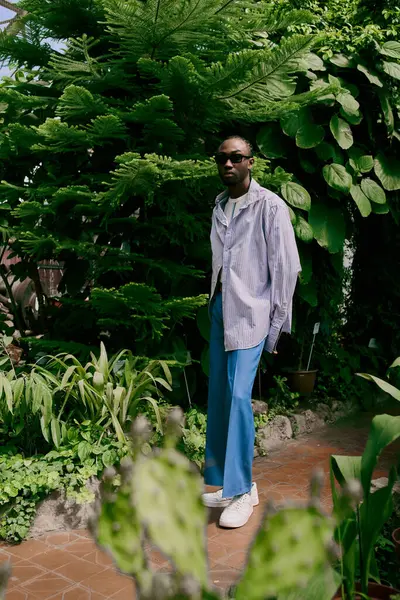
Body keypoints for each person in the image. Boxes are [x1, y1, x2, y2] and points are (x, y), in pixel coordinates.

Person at [202, 136, 301, 528]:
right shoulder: (220, 206)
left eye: (236, 158)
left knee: (241, 396)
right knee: (221, 397)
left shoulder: (270, 207)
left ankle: (243, 492)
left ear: (250, 162)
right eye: (222, 158)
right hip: (221, 309)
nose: (228, 164)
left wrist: (276, 327)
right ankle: (226, 484)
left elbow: (286, 269)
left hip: (253, 315)